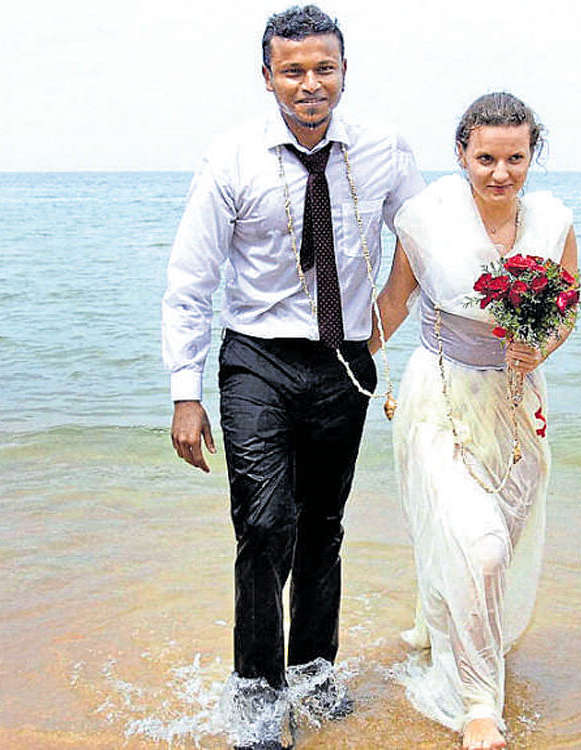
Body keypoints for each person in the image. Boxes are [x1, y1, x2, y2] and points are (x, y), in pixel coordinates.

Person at [161, 6, 423, 749]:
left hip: (344, 358)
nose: (311, 84)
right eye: (294, 70)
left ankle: (312, 667)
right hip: (257, 360)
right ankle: (255, 688)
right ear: (268, 76)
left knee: (324, 526)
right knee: (265, 523)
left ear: (344, 70)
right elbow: (191, 279)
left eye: (325, 68)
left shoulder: (384, 149)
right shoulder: (232, 157)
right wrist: (186, 391)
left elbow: (424, 235)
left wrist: (388, 318)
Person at [371, 92, 578, 750]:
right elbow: (395, 305)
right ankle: (478, 705)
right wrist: (335, 364)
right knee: (478, 549)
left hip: (519, 409)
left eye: (514, 158)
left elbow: (568, 305)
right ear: (461, 152)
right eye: (485, 157)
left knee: (495, 551)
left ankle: (460, 644)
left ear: (531, 155)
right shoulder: (425, 219)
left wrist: (538, 346)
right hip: (440, 403)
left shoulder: (552, 221)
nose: (499, 172)